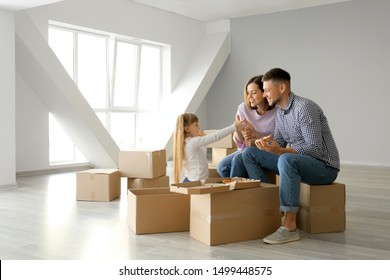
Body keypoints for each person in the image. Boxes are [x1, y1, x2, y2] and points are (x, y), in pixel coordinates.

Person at [241, 68, 340, 244]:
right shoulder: (280, 112)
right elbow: (278, 142)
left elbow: (315, 149)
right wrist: (264, 145)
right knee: (249, 154)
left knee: (287, 159)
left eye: (267, 89)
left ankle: (290, 227)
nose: (264, 94)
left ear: (281, 88)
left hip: (324, 167)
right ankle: (271, 210)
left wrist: (281, 152)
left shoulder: (304, 108)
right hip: (299, 161)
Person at [216, 75, 276, 178]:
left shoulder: (277, 112)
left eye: (253, 93)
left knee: (237, 160)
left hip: (267, 151)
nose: (249, 97)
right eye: (248, 93)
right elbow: (241, 143)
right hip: (246, 149)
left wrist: (255, 136)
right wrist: (239, 131)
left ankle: (239, 191)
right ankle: (242, 188)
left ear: (264, 92)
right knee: (222, 166)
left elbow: (278, 141)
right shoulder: (243, 108)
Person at [173, 113, 245, 183]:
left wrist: (203, 138)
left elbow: (202, 155)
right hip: (195, 182)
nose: (199, 128)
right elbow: (215, 136)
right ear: (187, 129)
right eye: (196, 125)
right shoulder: (192, 142)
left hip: (193, 180)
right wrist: (234, 127)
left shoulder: (187, 143)